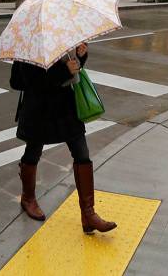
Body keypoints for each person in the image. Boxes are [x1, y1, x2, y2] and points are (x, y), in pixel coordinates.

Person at [10, 43, 117, 234]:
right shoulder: (28, 44)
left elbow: (72, 69)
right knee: (33, 152)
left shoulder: (61, 37)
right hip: (39, 111)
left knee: (82, 154)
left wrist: (79, 56)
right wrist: (63, 71)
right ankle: (28, 198)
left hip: (65, 108)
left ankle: (89, 214)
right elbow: (19, 81)